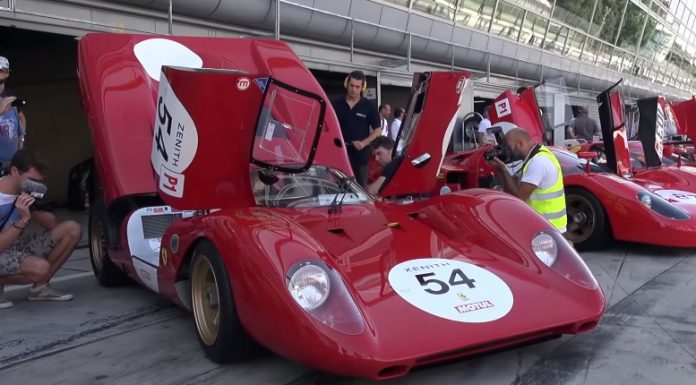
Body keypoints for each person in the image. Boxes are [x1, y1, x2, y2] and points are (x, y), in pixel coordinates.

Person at [0, 150, 81, 309]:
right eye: (31, 180)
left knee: (72, 229)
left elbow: (52, 225)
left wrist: (34, 206)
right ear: (15, 171)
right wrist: (22, 220)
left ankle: (40, 289)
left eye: (37, 181)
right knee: (39, 268)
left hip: (15, 245)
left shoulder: (25, 191)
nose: (34, 185)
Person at [486, 128, 567, 232]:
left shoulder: (538, 162)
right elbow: (512, 185)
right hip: (545, 225)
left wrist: (503, 169)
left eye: (509, 147)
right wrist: (499, 168)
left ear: (520, 144)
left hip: (547, 228)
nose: (507, 151)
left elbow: (518, 198)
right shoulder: (536, 155)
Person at [332, 70, 381, 187]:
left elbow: (378, 131)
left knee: (360, 187)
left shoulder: (369, 106)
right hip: (340, 153)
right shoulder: (336, 104)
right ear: (346, 84)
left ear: (362, 87)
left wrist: (363, 143)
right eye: (351, 85)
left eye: (357, 87)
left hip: (361, 155)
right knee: (337, 186)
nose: (354, 89)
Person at [0, 56, 27, 168]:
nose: (1, 85)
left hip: (12, 166)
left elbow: (21, 118)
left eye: (3, 81)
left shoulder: (8, 101)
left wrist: (21, 139)